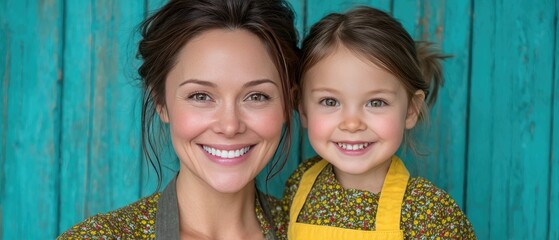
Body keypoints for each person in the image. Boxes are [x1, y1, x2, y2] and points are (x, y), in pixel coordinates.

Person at [58, 0, 299, 239]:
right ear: (161, 103)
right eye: (201, 96)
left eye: (257, 96)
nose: (230, 126)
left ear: (289, 103)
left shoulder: (315, 231)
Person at [281, 6, 476, 239]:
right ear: (302, 108)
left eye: (376, 103)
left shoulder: (429, 211)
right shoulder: (301, 184)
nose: (352, 124)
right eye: (330, 101)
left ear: (411, 110)